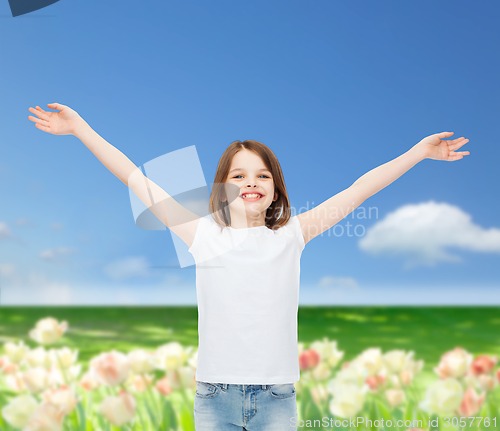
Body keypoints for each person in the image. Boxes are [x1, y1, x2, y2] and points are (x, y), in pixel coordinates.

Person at [27, 103, 470, 430]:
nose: (250, 183)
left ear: (276, 190)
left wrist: (418, 153)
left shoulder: (292, 235)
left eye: (261, 175)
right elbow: (136, 179)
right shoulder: (201, 234)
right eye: (238, 175)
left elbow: (357, 191)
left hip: (278, 399)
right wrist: (81, 128)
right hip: (214, 398)